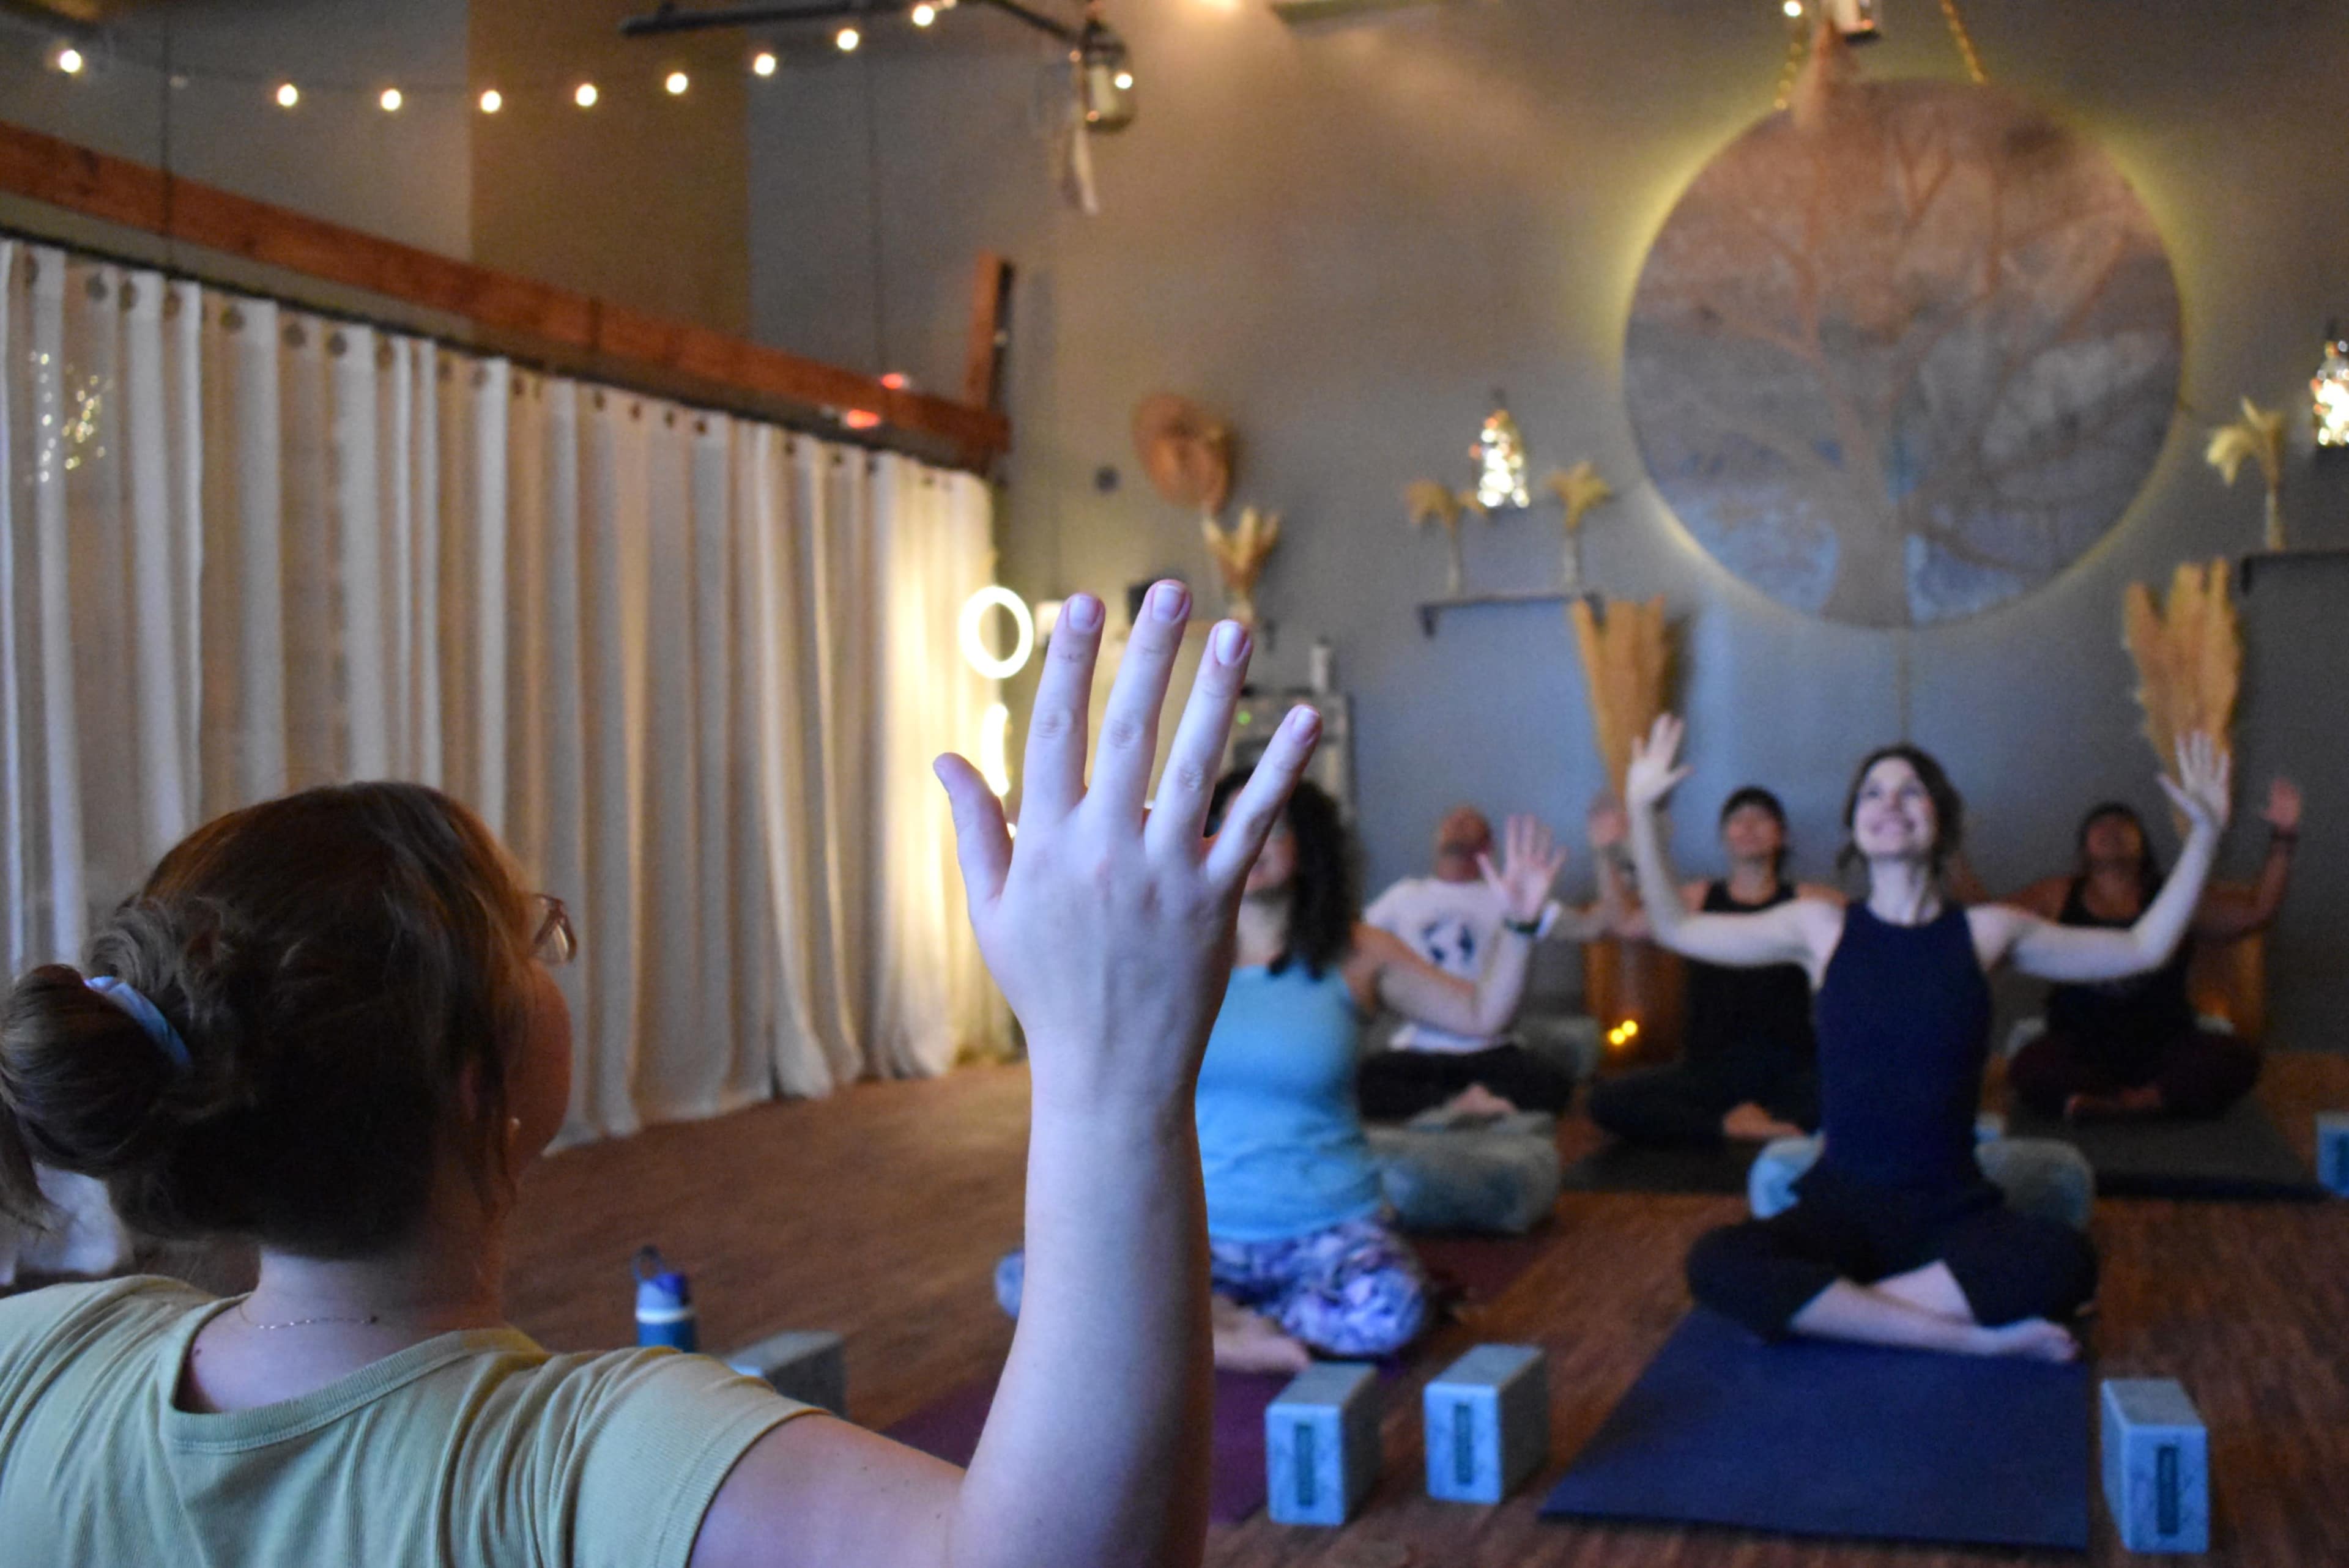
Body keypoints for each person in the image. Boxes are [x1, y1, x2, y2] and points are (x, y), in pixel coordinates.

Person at [0, 580, 1313, 1568]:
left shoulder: (40, 1363)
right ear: (480, 1086)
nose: (554, 951)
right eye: (537, 938)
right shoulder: (583, 1468)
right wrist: (1108, 1074)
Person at [1624, 715, 2230, 1361]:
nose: (1889, 803)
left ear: (1940, 819)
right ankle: (1965, 1339)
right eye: (1872, 793)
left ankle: (1834, 1309)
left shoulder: (1987, 932)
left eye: (1910, 791)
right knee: (1716, 1261)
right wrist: (1642, 810)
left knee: (2065, 1259)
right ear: (1855, 826)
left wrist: (2206, 837)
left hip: (1950, 1209)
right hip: (1840, 1208)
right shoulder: (1821, 927)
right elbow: (1676, 927)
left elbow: (2144, 945)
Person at [2003, 782, 2301, 1122]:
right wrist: (1950, 856)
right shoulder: (2056, 894)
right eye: (2101, 825)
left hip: (2165, 1044)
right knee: (2029, 1067)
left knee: (2237, 1058)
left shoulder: (2176, 895)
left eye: (2122, 825)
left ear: (2143, 845)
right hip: (2079, 1044)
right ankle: (2130, 1102)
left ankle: (2128, 1103)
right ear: (2084, 849)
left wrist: (2284, 835)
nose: (2112, 830)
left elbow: (2256, 912)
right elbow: (1986, 924)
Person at [1587, 786, 1841, 1147]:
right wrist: (1605, 853)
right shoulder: (1696, 898)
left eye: (1761, 818)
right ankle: (1730, 1125)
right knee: (1605, 1101)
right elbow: (1625, 924)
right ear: (1724, 836)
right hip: (1709, 1068)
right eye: (1738, 818)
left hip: (1789, 1066)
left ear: (1781, 835)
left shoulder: (1811, 902)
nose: (1749, 825)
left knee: (1861, 1089)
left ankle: (1755, 1119)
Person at [1356, 803, 1609, 1120]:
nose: (1459, 822)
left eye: (1470, 821)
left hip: (1493, 1049)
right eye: (1452, 819)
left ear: (1488, 847)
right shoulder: (1403, 897)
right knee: (1360, 1084)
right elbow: (1350, 944)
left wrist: (1608, 852)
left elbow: (1596, 926)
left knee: (1551, 1085)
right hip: (1421, 1049)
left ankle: (1451, 1104)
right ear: (1437, 841)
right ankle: (1461, 1105)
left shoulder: (1511, 896)